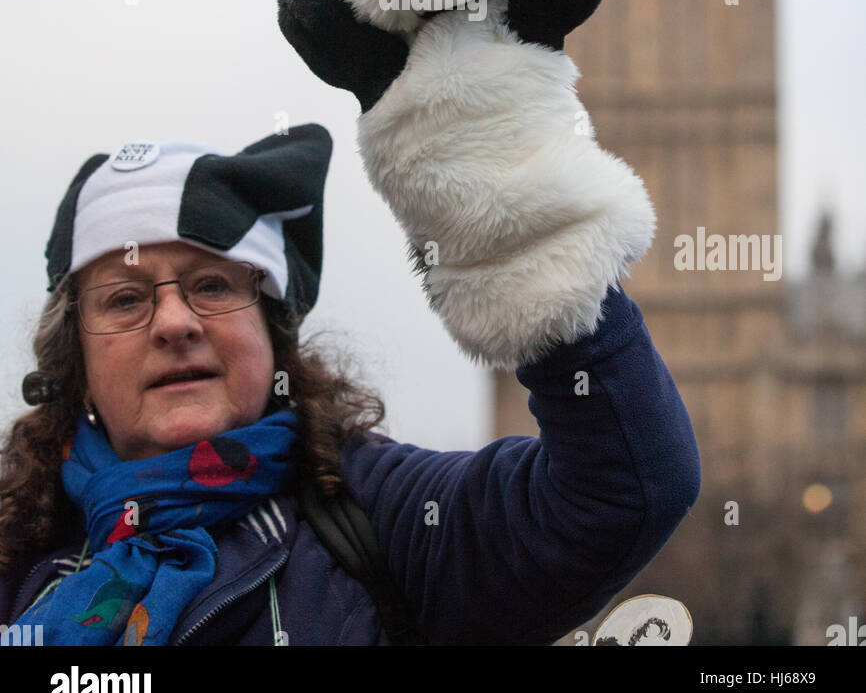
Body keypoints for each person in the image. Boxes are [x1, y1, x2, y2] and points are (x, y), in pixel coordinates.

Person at [0, 126, 701, 646]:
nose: (175, 321)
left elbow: (620, 493)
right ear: (76, 363)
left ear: (276, 334)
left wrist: (518, 229)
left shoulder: (379, 518)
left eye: (212, 285)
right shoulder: (16, 550)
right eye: (125, 300)